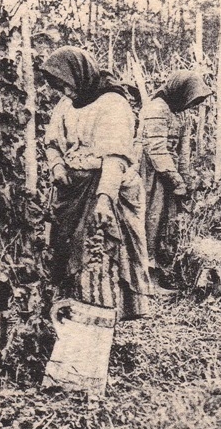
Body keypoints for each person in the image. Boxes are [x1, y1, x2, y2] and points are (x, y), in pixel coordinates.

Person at [41, 46, 154, 320]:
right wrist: (56, 164)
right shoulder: (66, 104)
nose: (66, 93)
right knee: (68, 253)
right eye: (60, 88)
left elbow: (115, 157)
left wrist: (105, 198)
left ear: (82, 75)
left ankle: (99, 318)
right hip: (72, 191)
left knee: (99, 253)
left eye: (68, 86)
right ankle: (70, 314)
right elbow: (52, 142)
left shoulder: (112, 104)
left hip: (104, 186)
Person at [139, 69, 212, 290]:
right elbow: (156, 149)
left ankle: (161, 271)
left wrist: (185, 181)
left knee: (165, 223)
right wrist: (175, 180)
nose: (191, 106)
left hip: (167, 175)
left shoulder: (180, 114)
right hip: (149, 173)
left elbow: (183, 152)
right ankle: (145, 277)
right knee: (149, 220)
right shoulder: (156, 109)